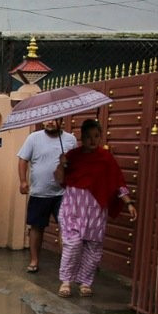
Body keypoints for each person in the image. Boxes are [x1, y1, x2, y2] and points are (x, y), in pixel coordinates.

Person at [54, 118, 137, 298]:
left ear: (100, 137)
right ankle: (66, 281)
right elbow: (59, 179)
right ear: (82, 137)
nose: (92, 140)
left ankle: (85, 282)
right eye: (88, 136)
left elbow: (117, 182)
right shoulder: (72, 156)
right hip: (73, 208)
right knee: (72, 244)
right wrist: (61, 164)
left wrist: (128, 203)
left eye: (96, 136)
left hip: (96, 210)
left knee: (93, 247)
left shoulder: (106, 158)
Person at [18, 118, 78, 273]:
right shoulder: (33, 138)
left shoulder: (70, 140)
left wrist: (67, 163)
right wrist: (23, 181)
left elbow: (76, 164)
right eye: (47, 120)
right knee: (36, 227)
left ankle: (67, 264)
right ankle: (34, 260)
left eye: (54, 119)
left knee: (67, 228)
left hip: (63, 193)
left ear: (61, 120)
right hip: (39, 192)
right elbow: (23, 160)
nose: (50, 122)